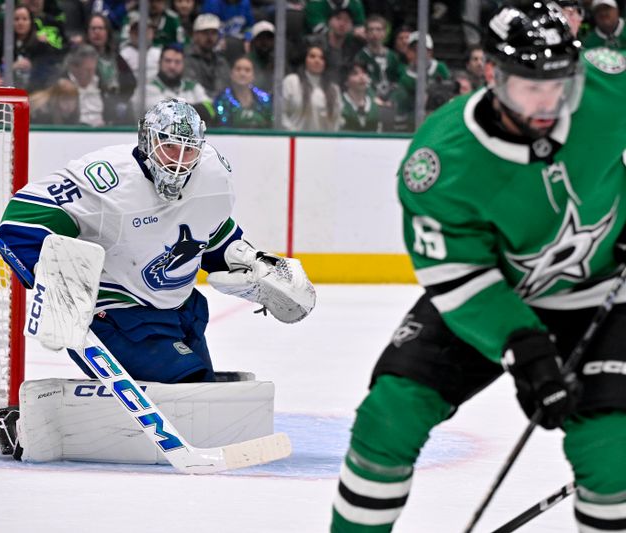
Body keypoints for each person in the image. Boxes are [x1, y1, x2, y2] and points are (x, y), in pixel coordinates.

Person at [331, 3, 626, 532]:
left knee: (610, 455)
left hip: (597, 292)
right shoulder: (440, 163)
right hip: (495, 297)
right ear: (491, 74)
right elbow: (461, 276)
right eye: (528, 86)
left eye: (559, 84)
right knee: (389, 416)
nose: (546, 102)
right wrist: (523, 347)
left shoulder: (607, 90)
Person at [0, 98, 316, 456]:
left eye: (188, 150)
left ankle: (32, 420)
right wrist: (56, 284)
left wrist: (248, 260)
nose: (179, 160)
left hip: (179, 313)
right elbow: (21, 223)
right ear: (147, 141)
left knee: (199, 396)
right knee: (185, 390)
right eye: (169, 147)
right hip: (114, 314)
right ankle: (28, 427)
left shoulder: (212, 175)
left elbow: (210, 233)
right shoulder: (106, 180)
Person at [143, 44, 214, 121]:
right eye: (168, 61)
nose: (172, 66)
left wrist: (177, 109)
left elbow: (210, 109)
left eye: (177, 62)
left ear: (183, 64)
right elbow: (164, 115)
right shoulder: (149, 88)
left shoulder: (193, 86)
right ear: (159, 63)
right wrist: (195, 110)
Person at [281, 43, 341, 131]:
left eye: (321, 58)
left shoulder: (333, 89)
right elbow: (281, 114)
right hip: (294, 140)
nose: (317, 60)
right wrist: (294, 133)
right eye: (312, 56)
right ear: (305, 60)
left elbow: (337, 121)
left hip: (324, 142)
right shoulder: (291, 82)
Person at [213, 55, 272, 128]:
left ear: (253, 76)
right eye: (238, 69)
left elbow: (270, 125)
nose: (242, 74)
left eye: (247, 70)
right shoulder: (221, 99)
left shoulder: (264, 99)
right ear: (231, 74)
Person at [184, 13, 231, 99]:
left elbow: (226, 87)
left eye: (213, 33)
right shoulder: (185, 57)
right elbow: (192, 89)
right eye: (205, 33)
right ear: (195, 35)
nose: (209, 37)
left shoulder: (221, 60)